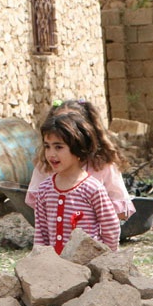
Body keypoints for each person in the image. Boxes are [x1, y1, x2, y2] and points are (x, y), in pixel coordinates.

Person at [31, 103, 122, 254]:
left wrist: (107, 260)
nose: (51, 154)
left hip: (87, 266)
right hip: (57, 268)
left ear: (78, 148)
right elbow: (41, 233)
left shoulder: (93, 188)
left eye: (58, 147)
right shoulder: (45, 189)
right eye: (47, 146)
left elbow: (110, 228)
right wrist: (41, 261)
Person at [25, 99, 135, 220]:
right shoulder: (47, 166)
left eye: (71, 123)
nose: (63, 129)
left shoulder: (102, 166)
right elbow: (39, 208)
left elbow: (121, 210)